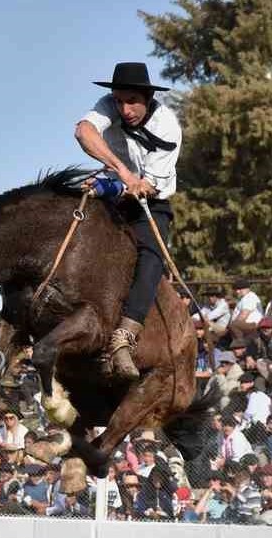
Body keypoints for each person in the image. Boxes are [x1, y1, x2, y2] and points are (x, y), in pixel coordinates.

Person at [75, 62, 181, 381]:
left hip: (151, 200)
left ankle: (126, 333)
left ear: (147, 97)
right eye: (119, 100)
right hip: (117, 186)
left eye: (132, 100)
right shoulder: (109, 106)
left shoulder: (167, 127)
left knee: (151, 257)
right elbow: (83, 131)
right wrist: (119, 174)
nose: (125, 108)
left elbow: (146, 186)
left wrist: (115, 184)